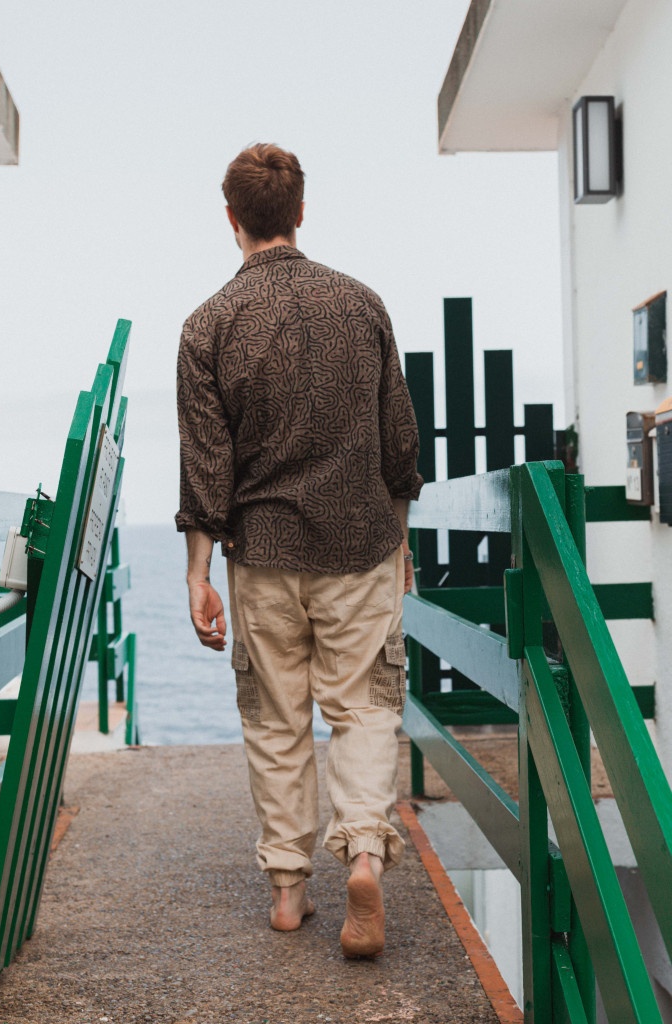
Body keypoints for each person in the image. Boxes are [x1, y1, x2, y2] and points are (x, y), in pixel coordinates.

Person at [175, 143, 422, 958]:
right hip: (359, 545)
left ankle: (288, 891)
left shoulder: (207, 325)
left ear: (232, 219)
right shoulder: (362, 304)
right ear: (301, 212)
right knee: (364, 710)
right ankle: (363, 855)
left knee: (275, 721)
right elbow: (399, 442)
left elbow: (206, 469)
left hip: (262, 555)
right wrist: (398, 538)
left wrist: (198, 575)